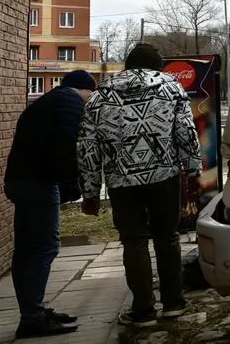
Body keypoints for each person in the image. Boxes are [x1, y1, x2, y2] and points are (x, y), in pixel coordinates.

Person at [80, 44, 202, 327]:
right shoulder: (170, 88)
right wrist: (194, 169)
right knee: (167, 237)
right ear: (157, 65)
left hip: (122, 182)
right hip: (164, 177)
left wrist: (90, 192)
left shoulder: (101, 95)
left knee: (133, 242)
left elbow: (87, 147)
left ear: (128, 64)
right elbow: (186, 131)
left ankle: (144, 310)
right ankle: (173, 303)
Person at [3, 71, 96, 338]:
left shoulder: (47, 102)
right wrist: (70, 182)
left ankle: (33, 310)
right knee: (43, 249)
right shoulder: (69, 102)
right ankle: (31, 318)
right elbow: (67, 144)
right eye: (91, 95)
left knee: (26, 250)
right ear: (85, 90)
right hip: (38, 181)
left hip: (21, 180)